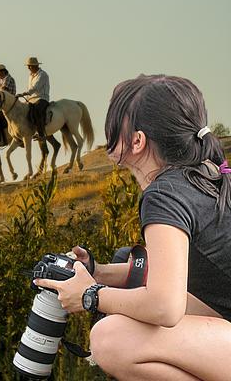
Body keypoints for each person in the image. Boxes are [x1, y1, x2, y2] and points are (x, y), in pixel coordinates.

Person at [35, 75, 231, 381]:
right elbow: (180, 278)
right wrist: (97, 272)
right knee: (132, 271)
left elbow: (165, 305)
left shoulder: (166, 194)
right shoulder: (210, 174)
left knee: (112, 338)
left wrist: (91, 294)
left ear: (137, 140)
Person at [16, 57, 50, 139]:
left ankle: (41, 134)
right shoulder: (30, 76)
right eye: (28, 66)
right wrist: (26, 99)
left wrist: (24, 93)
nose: (28, 68)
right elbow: (29, 88)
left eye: (30, 66)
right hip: (31, 99)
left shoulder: (42, 74)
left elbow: (36, 87)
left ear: (35, 66)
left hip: (42, 98)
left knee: (36, 110)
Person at [0, 64, 16, 143]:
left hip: (9, 104)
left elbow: (2, 92)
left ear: (2, 72)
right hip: (5, 103)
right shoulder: (4, 79)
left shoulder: (8, 78)